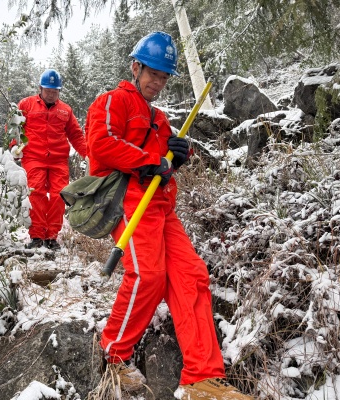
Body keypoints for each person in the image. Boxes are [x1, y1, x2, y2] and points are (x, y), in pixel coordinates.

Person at [84, 32, 253, 399]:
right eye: (153, 74)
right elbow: (102, 145)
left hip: (161, 207)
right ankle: (113, 354)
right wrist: (152, 160)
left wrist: (175, 156)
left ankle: (202, 379)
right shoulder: (111, 101)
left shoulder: (159, 118)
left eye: (164, 77)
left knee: (191, 275)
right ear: (136, 67)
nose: (157, 83)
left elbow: (163, 168)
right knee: (148, 275)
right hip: (129, 202)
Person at [17, 69, 87, 250]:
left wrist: (88, 154)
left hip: (58, 159)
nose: (51, 94)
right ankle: (37, 236)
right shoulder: (26, 105)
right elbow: (14, 128)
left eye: (54, 91)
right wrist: (14, 146)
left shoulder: (66, 110)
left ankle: (52, 237)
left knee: (59, 195)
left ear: (59, 91)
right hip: (33, 157)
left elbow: (76, 135)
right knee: (36, 194)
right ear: (40, 88)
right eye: (48, 90)